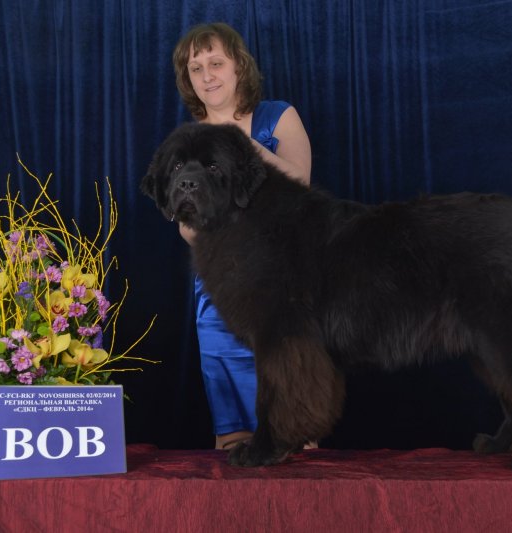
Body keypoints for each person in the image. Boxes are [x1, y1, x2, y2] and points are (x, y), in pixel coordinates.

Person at [172, 22, 313, 450]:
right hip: (222, 290)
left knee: (296, 434)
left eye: (216, 63)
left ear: (238, 68)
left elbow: (299, 184)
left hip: (285, 283)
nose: (207, 75)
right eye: (196, 68)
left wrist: (236, 144)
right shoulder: (188, 139)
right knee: (233, 438)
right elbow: (184, 222)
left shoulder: (279, 116)